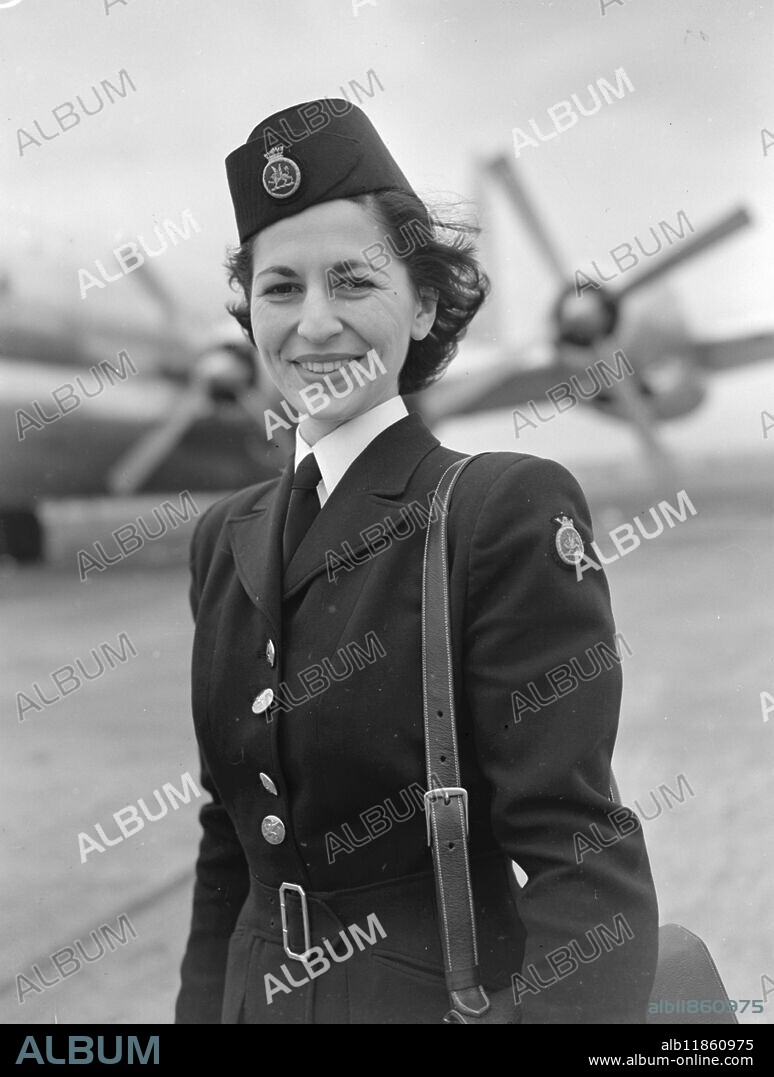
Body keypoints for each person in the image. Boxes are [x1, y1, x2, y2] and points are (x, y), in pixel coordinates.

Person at [174, 98, 658, 1025]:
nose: (314, 324)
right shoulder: (222, 537)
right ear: (249, 318)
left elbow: (579, 858)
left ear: (427, 302)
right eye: (280, 289)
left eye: (353, 281)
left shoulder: (497, 511)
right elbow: (227, 847)